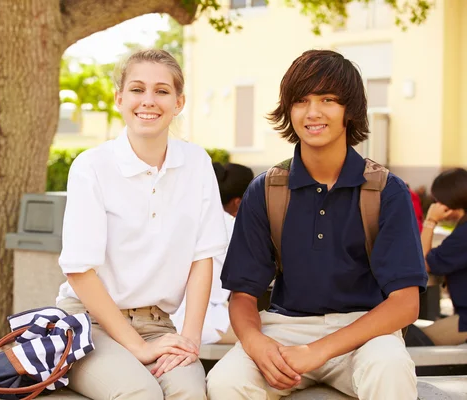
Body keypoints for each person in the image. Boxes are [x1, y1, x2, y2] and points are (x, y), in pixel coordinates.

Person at [206, 50, 428, 400]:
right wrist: (256, 342)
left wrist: (318, 351)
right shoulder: (266, 190)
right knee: (225, 382)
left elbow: (405, 304)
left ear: (349, 111)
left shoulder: (386, 190)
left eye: (328, 99)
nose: (313, 112)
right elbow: (242, 295)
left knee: (390, 367)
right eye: (301, 100)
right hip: (284, 331)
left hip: (365, 334)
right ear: (288, 110)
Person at [55, 49, 228, 399]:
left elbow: (202, 257)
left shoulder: (196, 163)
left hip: (159, 324)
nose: (148, 101)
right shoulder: (92, 167)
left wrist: (190, 341)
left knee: (190, 394)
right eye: (137, 89)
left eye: (162, 91)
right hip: (91, 324)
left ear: (179, 102)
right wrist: (138, 348)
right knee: (140, 394)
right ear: (120, 98)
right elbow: (79, 271)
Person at [171, 162, 255, 344]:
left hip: (168, 315)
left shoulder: (184, 218)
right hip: (201, 320)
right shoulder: (233, 228)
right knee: (267, 335)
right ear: (238, 202)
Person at [420, 168, 467, 345]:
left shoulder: (463, 236)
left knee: (415, 341)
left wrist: (430, 221)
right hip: (461, 316)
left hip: (464, 321)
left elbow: (421, 263)